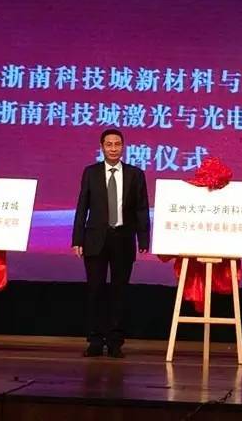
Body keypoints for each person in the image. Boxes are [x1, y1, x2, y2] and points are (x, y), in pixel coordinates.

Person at [71, 129, 150, 358]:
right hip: (95, 239)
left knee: (119, 291)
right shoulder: (91, 172)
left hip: (123, 239)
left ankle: (115, 342)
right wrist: (77, 239)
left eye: (117, 144)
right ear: (102, 147)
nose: (113, 148)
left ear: (123, 147)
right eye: (109, 144)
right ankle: (95, 341)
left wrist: (143, 238)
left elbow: (141, 208)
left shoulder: (135, 174)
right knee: (95, 290)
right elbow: (82, 207)